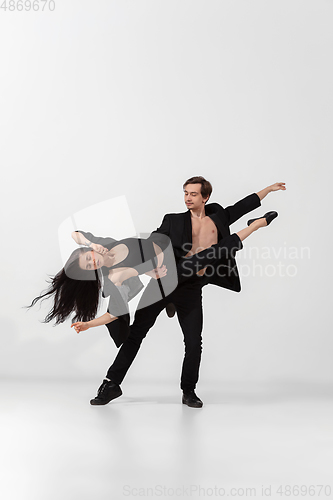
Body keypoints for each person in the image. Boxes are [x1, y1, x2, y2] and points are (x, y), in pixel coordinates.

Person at [84, 176, 286, 408]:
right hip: (163, 283)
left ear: (205, 197)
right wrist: (151, 267)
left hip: (191, 288)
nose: (187, 198)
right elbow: (152, 243)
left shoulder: (218, 217)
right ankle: (111, 384)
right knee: (136, 334)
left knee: (193, 342)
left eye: (193, 194)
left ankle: (188, 390)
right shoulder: (173, 220)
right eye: (185, 193)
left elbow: (241, 206)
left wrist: (268, 190)